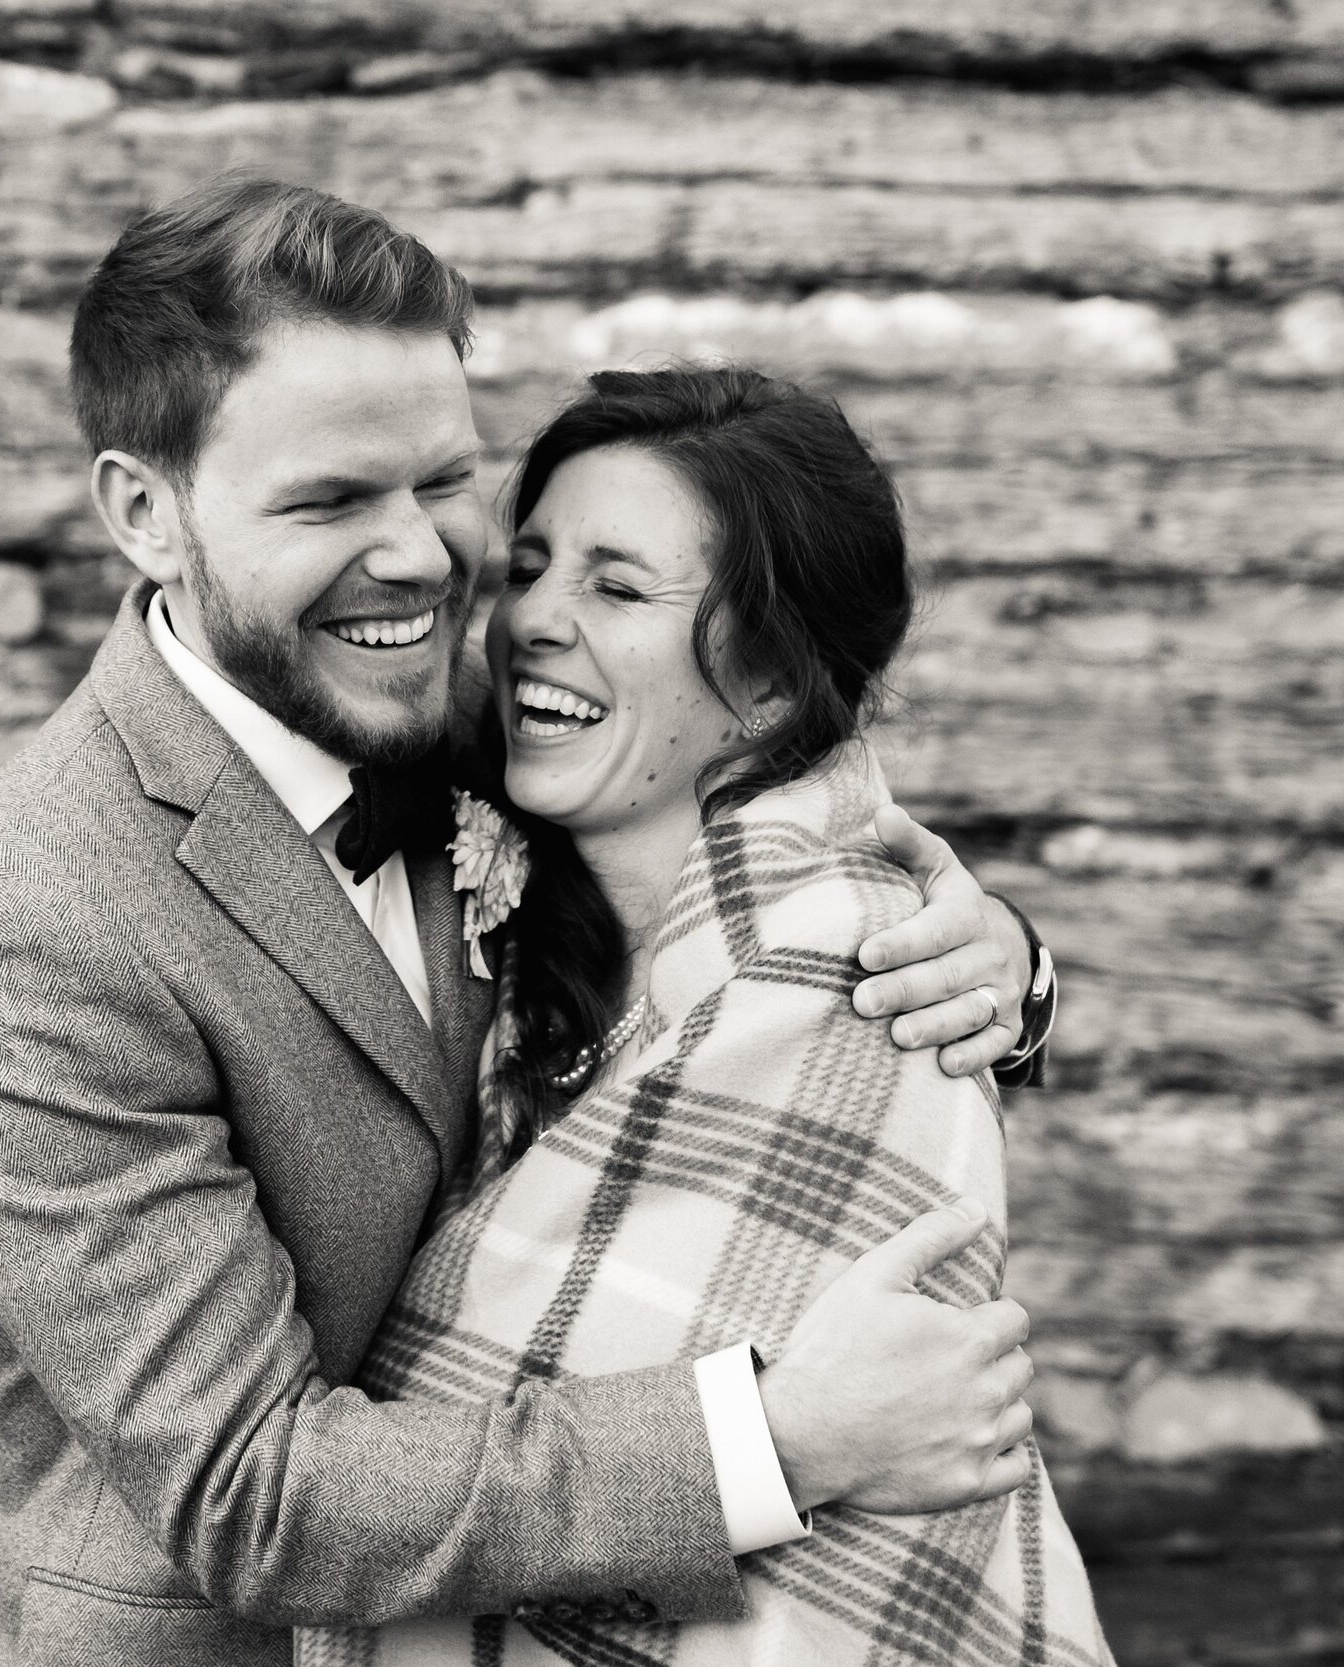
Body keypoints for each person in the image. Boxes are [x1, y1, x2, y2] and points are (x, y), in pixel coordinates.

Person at [0, 176, 1058, 1667]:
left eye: (444, 482)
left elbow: (732, 786)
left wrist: (998, 965)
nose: (426, 562)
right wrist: (771, 1439)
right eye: (328, 502)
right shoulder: (32, 934)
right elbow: (257, 1496)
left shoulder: (463, 695)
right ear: (145, 513)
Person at [298, 366, 1109, 1667]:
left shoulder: (853, 981)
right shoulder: (474, 868)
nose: (527, 626)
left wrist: (1019, 972)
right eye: (532, 568)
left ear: (777, 690)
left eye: (618, 589)